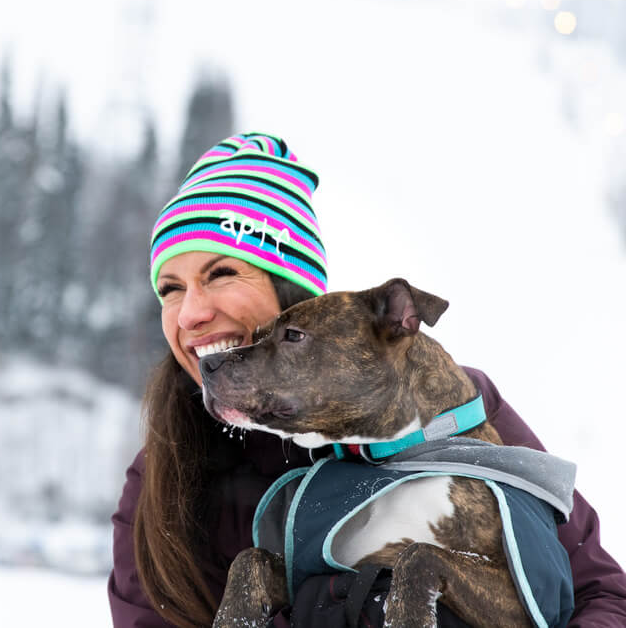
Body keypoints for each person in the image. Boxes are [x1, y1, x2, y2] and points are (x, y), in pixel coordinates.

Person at [108, 132, 626, 627]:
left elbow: (600, 593)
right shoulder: (161, 478)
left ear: (296, 295)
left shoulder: (451, 411)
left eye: (221, 274)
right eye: (169, 290)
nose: (189, 313)